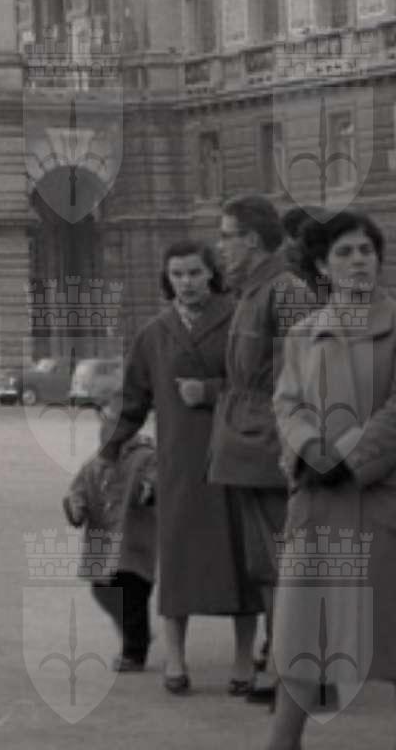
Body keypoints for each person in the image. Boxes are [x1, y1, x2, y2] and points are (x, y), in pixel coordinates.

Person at [266, 208, 396, 749]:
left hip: (390, 500)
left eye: (366, 250)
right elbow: (287, 404)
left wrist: (347, 458)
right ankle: (283, 740)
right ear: (322, 265)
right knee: (302, 631)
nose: (359, 260)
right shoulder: (302, 335)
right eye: (344, 252)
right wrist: (310, 452)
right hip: (319, 502)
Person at [103, 240, 258, 695]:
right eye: (177, 274)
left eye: (194, 273)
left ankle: (244, 660)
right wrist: (110, 448)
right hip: (179, 464)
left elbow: (262, 385)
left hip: (235, 456)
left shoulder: (240, 321)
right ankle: (176, 658)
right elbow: (132, 400)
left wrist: (208, 392)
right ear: (166, 279)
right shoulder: (154, 333)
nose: (186, 283)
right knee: (176, 561)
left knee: (240, 560)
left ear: (212, 274)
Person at [212, 193, 321, 703]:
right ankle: (283, 664)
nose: (220, 247)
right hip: (248, 440)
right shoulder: (254, 291)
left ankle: (298, 671)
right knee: (266, 563)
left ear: (252, 240)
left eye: (226, 236)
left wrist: (294, 444)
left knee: (286, 561)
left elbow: (306, 378)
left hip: (271, 442)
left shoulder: (286, 292)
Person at [62, 396, 159, 672]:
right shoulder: (94, 465)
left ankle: (134, 652)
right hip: (101, 544)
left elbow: (156, 481)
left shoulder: (146, 457)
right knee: (102, 590)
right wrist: (76, 507)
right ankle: (135, 634)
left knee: (133, 595)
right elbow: (78, 491)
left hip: (134, 542)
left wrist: (150, 490)